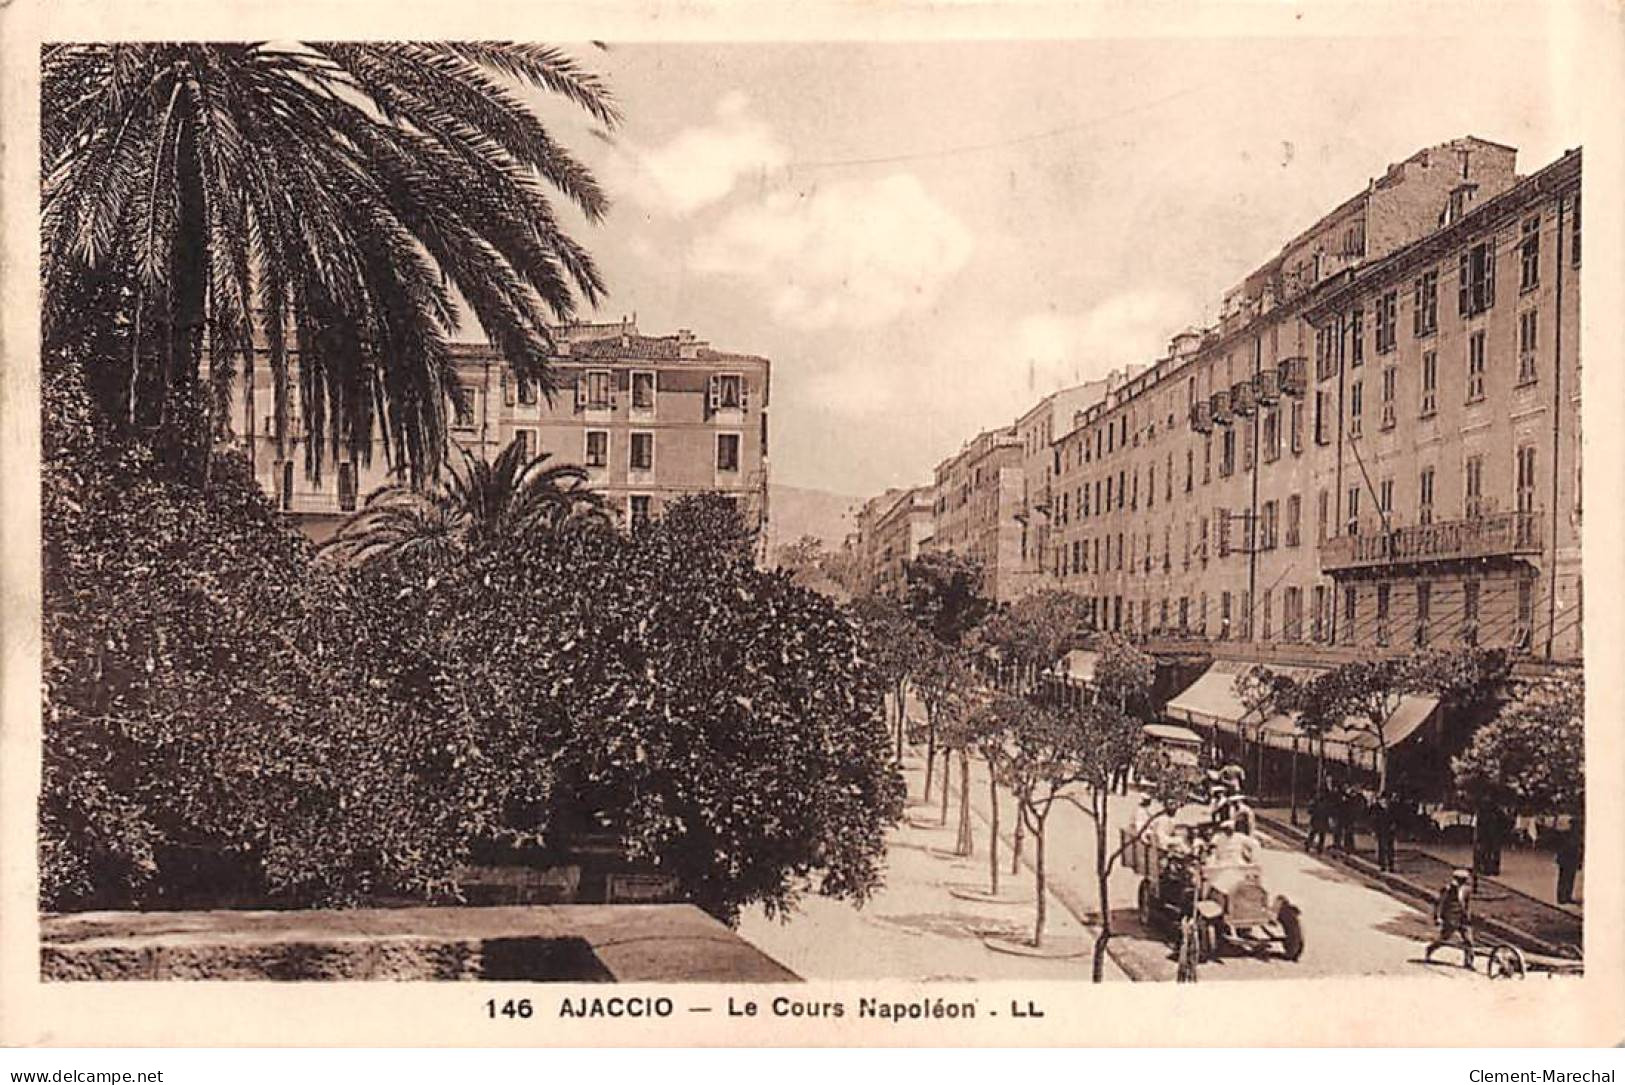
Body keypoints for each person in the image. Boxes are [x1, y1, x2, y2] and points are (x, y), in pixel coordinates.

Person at [1424, 869, 1475, 969]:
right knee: (1444, 938)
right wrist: (1437, 917)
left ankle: (1468, 962)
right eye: (1463, 880)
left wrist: (1468, 915)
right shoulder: (1447, 889)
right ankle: (1430, 949)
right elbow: (1440, 903)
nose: (1465, 882)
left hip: (1463, 918)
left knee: (1469, 940)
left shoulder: (1467, 890)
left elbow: (1467, 904)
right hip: (1450, 918)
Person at [1555, 821, 1583, 906]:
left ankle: (1567, 896)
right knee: (1564, 878)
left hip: (1572, 859)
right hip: (1566, 859)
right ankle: (1561, 897)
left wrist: (1579, 861)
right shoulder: (1567, 835)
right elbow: (1561, 848)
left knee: (1570, 878)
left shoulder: (1577, 837)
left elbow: (1579, 849)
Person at [1370, 792, 1398, 873]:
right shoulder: (1376, 808)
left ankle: (1390, 865)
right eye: (1384, 799)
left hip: (1389, 831)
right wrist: (1373, 831)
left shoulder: (1392, 808)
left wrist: (1394, 825)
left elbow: (1395, 818)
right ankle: (1382, 865)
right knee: (1382, 848)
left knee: (1390, 848)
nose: (1385, 801)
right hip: (1380, 830)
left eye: (1387, 799)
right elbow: (1373, 820)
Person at [1306, 790, 1330, 854]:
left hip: (1321, 820)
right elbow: (1309, 811)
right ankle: (1309, 845)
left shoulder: (1325, 803)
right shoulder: (1315, 802)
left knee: (1319, 834)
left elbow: (1328, 812)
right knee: (1314, 833)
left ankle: (1318, 847)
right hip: (1317, 819)